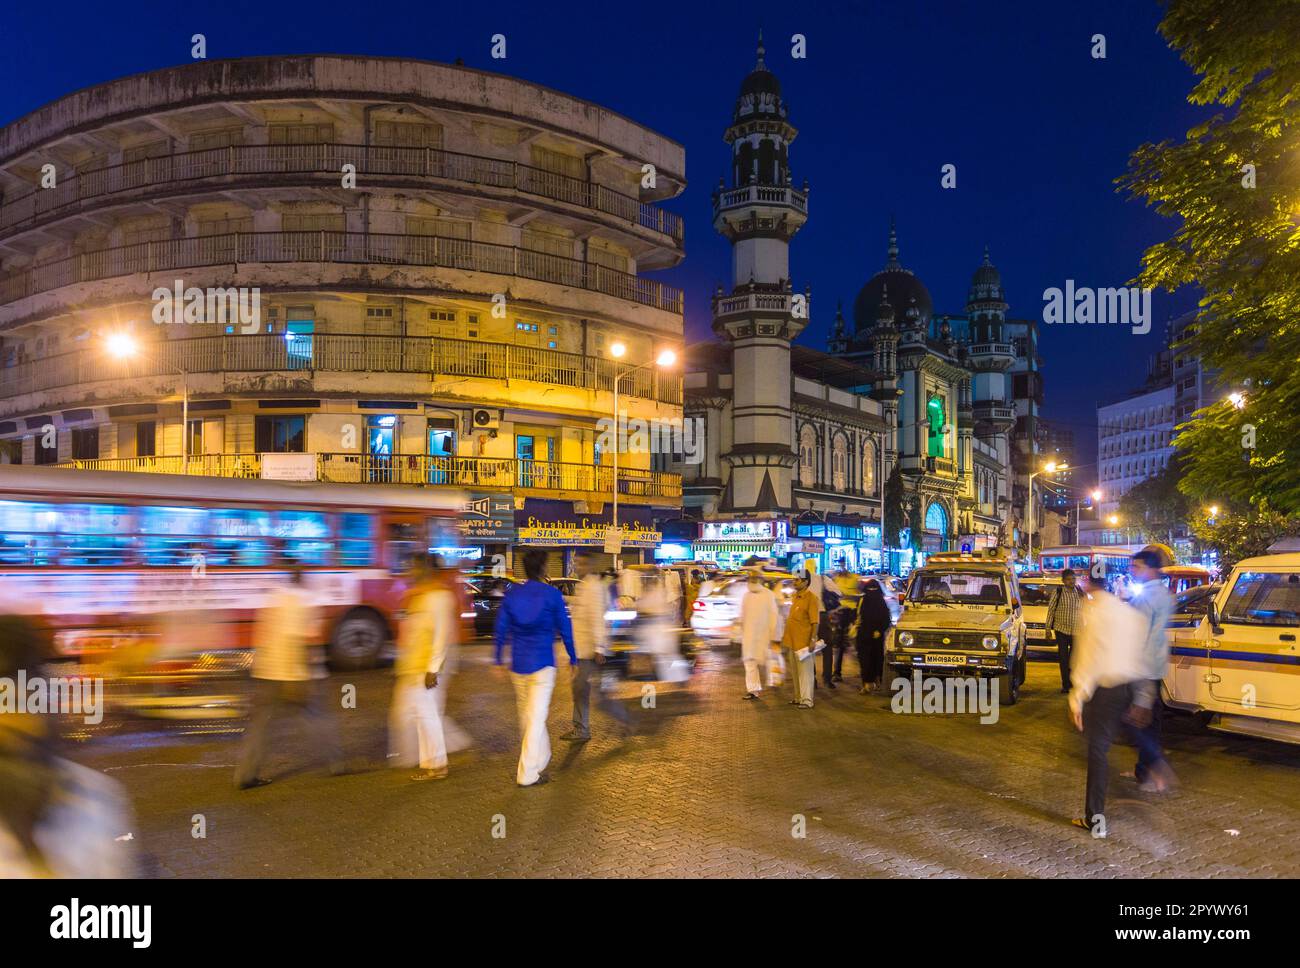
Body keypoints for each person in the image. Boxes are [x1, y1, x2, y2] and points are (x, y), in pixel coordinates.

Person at [235, 567, 345, 789]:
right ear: (303, 580)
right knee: (316, 717)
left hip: (266, 673)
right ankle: (337, 763)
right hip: (294, 675)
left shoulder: (274, 599)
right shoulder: (304, 601)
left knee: (260, 726)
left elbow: (262, 637)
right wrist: (300, 676)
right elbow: (300, 640)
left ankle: (245, 775)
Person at [1068, 574, 1150, 838]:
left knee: (1098, 753)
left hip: (1107, 690)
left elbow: (1087, 659)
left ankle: (1096, 820)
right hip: (1130, 687)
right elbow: (1141, 654)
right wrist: (1142, 698)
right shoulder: (1129, 614)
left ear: (1090, 585)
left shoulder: (1094, 614)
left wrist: (1077, 697)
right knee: (1123, 745)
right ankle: (1155, 774)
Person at [494, 549, 577, 787]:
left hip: (519, 664)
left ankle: (541, 758)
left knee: (528, 716)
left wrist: (498, 659)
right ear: (543, 569)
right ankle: (528, 774)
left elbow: (500, 629)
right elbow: (565, 629)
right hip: (542, 664)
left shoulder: (513, 595)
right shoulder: (552, 595)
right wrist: (573, 658)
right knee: (536, 717)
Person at [389, 555, 455, 780]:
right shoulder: (420, 595)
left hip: (425, 668)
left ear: (426, 568)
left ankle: (437, 766)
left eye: (416, 566)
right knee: (421, 716)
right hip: (413, 666)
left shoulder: (438, 597)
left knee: (427, 717)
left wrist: (433, 668)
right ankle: (431, 764)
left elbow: (441, 635)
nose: (411, 570)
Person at [561, 550, 630, 742]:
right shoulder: (585, 586)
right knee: (582, 690)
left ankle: (622, 721)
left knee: (594, 694)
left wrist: (600, 648)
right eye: (576, 563)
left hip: (592, 652)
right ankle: (582, 728)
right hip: (583, 650)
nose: (577, 567)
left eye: (581, 563)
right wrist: (565, 599)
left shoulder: (594, 588)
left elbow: (597, 617)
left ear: (590, 565)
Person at [1125, 549, 1178, 792]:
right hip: (1155, 666)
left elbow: (1139, 636)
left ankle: (1155, 771)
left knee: (1138, 722)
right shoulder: (1164, 594)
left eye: (1137, 567)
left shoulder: (1146, 597)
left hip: (1143, 667)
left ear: (1151, 568)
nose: (1132, 571)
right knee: (1150, 723)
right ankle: (1144, 769)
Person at [737, 569, 780, 700]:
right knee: (750, 663)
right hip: (749, 636)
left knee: (770, 661)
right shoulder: (746, 596)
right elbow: (742, 616)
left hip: (764, 636)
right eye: (750, 579)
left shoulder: (769, 595)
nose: (752, 582)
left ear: (760, 581)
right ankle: (753, 689)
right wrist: (740, 631)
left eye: (754, 579)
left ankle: (775, 682)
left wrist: (774, 636)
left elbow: (774, 616)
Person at [782, 573, 819, 708]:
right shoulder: (795, 597)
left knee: (806, 673)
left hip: (804, 643)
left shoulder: (811, 598)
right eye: (794, 580)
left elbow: (815, 622)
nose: (794, 582)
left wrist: (813, 639)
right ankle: (798, 697)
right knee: (796, 673)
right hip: (792, 642)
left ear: (805, 582)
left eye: (797, 580)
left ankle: (807, 700)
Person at [1046, 569, 1083, 692]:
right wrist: (1047, 629)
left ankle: (1072, 681)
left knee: (1074, 659)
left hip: (1077, 630)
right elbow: (1051, 610)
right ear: (1063, 581)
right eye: (1068, 579)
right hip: (1061, 629)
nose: (1071, 581)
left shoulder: (1079, 592)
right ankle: (1066, 685)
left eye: (1073, 579)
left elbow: (1085, 610)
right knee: (1063, 658)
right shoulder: (1058, 592)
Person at [855, 578, 892, 693]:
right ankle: (866, 684)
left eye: (873, 589)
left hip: (876, 637)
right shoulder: (863, 600)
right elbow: (858, 615)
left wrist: (879, 630)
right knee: (864, 660)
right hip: (863, 635)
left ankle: (876, 681)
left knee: (876, 660)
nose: (872, 591)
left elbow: (886, 619)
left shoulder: (880, 602)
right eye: (870, 589)